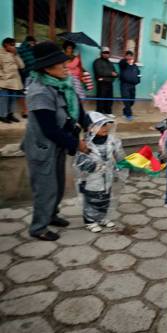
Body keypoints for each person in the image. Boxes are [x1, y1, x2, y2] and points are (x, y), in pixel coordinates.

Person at [22, 41, 89, 241]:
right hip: (42, 147)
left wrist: (89, 125)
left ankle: (51, 215)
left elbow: (77, 107)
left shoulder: (64, 83)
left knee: (58, 185)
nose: (66, 67)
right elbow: (50, 129)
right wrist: (77, 145)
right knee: (46, 188)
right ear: (47, 69)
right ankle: (38, 227)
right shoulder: (39, 91)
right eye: (61, 65)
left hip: (59, 144)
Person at [75, 111, 124, 233]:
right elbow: (80, 161)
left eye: (106, 125)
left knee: (105, 198)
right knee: (91, 200)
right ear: (90, 128)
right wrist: (95, 167)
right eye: (101, 125)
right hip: (91, 179)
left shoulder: (111, 140)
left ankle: (102, 217)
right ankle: (90, 220)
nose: (105, 128)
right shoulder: (85, 144)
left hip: (107, 177)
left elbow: (118, 155)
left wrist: (119, 166)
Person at [0, 37, 25, 123]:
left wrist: (15, 55)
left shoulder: (15, 53)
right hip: (5, 81)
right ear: (6, 45)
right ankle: (2, 115)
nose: (14, 47)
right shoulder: (0, 54)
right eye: (12, 45)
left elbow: (22, 66)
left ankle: (10, 115)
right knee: (4, 99)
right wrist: (3, 76)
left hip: (15, 81)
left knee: (13, 99)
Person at [93, 47, 117, 115]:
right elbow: (99, 72)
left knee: (110, 99)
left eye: (107, 53)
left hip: (109, 83)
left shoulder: (110, 63)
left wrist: (114, 75)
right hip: (101, 83)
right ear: (101, 53)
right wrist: (110, 74)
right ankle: (99, 113)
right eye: (105, 53)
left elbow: (115, 72)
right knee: (101, 99)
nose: (106, 54)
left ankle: (108, 112)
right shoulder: (97, 61)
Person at [17, 36, 37, 118]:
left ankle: (29, 110)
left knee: (31, 92)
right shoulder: (23, 49)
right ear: (30, 42)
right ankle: (25, 111)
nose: (33, 44)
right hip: (27, 74)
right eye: (33, 43)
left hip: (32, 74)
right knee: (27, 93)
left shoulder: (31, 49)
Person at [119, 50, 141, 121]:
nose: (129, 57)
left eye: (130, 56)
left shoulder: (135, 66)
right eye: (127, 55)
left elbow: (139, 74)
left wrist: (138, 80)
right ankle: (129, 115)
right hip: (125, 85)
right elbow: (122, 63)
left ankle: (125, 110)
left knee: (132, 101)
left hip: (133, 85)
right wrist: (126, 60)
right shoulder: (123, 64)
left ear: (132, 56)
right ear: (125, 56)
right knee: (126, 99)